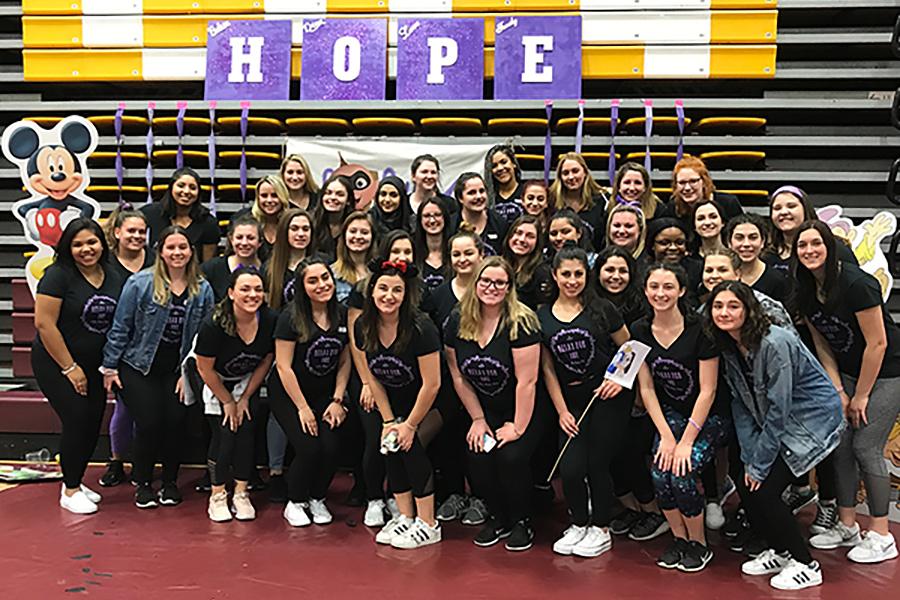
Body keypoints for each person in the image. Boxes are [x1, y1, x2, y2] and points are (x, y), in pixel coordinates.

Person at [707, 280, 844, 590]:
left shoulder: (774, 343)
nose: (724, 312)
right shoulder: (728, 343)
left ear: (749, 310)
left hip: (811, 420)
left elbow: (780, 410)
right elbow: (741, 403)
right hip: (771, 420)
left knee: (765, 490)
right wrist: (750, 456)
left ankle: (806, 564)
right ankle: (780, 550)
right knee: (746, 479)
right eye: (718, 306)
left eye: (733, 306)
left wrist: (761, 463)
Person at [793, 221, 900, 564]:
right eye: (802, 245)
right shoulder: (806, 288)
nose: (809, 251)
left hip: (887, 371)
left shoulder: (857, 284)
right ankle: (848, 523)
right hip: (849, 372)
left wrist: (862, 395)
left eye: (816, 244)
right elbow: (823, 342)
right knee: (839, 447)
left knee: (866, 447)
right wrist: (838, 388)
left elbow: (878, 343)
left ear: (829, 246)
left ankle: (882, 535)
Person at [102, 226, 214, 509]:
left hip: (178, 369)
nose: (177, 253)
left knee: (175, 423)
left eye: (183, 247)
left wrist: (187, 372)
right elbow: (121, 327)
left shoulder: (202, 289)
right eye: (171, 247)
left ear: (191, 252)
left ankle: (170, 482)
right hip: (139, 366)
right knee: (150, 422)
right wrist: (110, 367)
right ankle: (143, 482)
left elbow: (205, 336)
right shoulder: (139, 283)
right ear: (161, 251)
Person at [631, 263, 727, 572]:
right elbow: (646, 387)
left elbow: (708, 391)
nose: (661, 293)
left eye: (668, 287)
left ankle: (699, 543)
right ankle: (679, 538)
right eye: (654, 287)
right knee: (661, 471)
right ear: (645, 291)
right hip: (669, 416)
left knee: (682, 473)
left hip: (708, 417)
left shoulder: (702, 329)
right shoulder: (640, 330)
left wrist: (685, 441)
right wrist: (667, 437)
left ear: (681, 290)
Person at [444, 256, 542, 551]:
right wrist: (477, 418)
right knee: (477, 456)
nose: (492, 287)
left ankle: (522, 520)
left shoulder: (521, 322)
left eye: (500, 282)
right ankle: (498, 517)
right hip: (485, 408)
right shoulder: (457, 319)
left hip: (525, 407)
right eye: (486, 281)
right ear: (476, 284)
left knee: (510, 457)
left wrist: (517, 427)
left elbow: (528, 382)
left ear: (509, 287)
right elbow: (457, 375)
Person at [539, 245, 630, 557]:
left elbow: (628, 348)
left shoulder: (602, 309)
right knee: (572, 466)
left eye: (579, 274)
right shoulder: (542, 315)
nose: (572, 280)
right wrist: (562, 410)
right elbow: (547, 368)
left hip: (605, 397)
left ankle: (601, 527)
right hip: (571, 401)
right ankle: (579, 522)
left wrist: (617, 379)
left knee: (596, 464)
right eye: (566, 274)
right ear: (555, 275)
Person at [32, 218, 123, 514]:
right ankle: (69, 490)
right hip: (56, 361)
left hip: (95, 364)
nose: (87, 249)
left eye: (92, 242)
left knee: (92, 419)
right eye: (78, 244)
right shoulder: (57, 276)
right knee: (76, 417)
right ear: (67, 248)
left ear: (102, 243)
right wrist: (70, 368)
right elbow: (44, 324)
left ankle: (77, 479)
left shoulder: (113, 275)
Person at [353, 259, 443, 549]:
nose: (389, 296)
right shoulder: (363, 325)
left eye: (397, 290)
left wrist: (410, 424)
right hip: (396, 401)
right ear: (371, 291)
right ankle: (406, 516)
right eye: (382, 288)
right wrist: (389, 421)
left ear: (406, 295)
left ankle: (429, 524)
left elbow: (432, 385)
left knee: (409, 443)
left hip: (435, 401)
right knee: (390, 443)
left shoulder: (421, 327)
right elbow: (373, 376)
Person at [593, 247, 668, 540]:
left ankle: (652, 511)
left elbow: (638, 354)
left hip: (638, 391)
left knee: (630, 453)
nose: (615, 276)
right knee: (608, 456)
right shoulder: (590, 304)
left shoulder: (641, 309)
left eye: (622, 270)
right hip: (601, 392)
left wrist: (634, 390)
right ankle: (630, 508)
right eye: (609, 270)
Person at [269, 258, 351, 526]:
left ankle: (317, 497)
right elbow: (283, 366)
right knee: (308, 446)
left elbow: (345, 360)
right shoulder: (290, 317)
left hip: (326, 393)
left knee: (332, 446)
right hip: (289, 393)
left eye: (325, 278)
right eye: (313, 280)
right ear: (302, 287)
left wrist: (338, 399)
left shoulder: (342, 313)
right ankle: (296, 501)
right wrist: (303, 408)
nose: (321, 285)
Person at [195, 267, 276, 522]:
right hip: (214, 379)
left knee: (246, 432)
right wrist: (227, 401)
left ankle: (241, 493)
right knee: (225, 434)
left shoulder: (270, 319)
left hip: (246, 380)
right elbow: (204, 368)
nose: (252, 294)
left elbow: (267, 359)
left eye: (258, 289)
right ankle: (217, 495)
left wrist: (245, 398)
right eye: (245, 289)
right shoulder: (214, 323)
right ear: (231, 293)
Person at [99, 207, 154, 487]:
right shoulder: (105, 263)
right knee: (124, 409)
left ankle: (143, 463)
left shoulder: (157, 261)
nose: (136, 236)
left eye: (141, 232)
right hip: (116, 344)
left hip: (150, 347)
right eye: (130, 231)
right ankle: (117, 460)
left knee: (146, 411)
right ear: (117, 232)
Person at [766, 185, 857, 273]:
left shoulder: (835, 247)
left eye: (791, 206)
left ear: (805, 209)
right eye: (777, 208)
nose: (784, 212)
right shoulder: (766, 253)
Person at [141, 167, 220, 262]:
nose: (186, 191)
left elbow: (207, 264)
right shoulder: (150, 213)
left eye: (192, 188)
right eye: (181, 185)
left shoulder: (208, 223)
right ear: (171, 188)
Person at [549, 152, 608, 250]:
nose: (571, 177)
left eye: (575, 171)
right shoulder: (551, 200)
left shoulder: (602, 199)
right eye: (565, 173)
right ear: (560, 177)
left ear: (585, 172)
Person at [662, 156, 742, 229]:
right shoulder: (672, 208)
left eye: (693, 181)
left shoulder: (728, 203)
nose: (687, 188)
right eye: (682, 183)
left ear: (704, 181)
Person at [724, 214, 788, 301]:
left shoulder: (777, 280)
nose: (746, 244)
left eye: (753, 237)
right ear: (729, 242)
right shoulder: (721, 275)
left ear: (762, 241)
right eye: (739, 238)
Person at [265, 208, 315, 312]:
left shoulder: (323, 263)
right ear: (284, 231)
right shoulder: (268, 269)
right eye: (294, 228)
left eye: (305, 229)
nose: (301, 234)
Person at [201, 216, 263, 301]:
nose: (244, 243)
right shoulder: (210, 269)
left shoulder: (268, 271)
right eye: (239, 237)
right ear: (231, 239)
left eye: (250, 238)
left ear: (260, 242)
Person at [501, 214, 552, 310]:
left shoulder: (543, 272)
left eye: (530, 236)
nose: (522, 239)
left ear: (538, 241)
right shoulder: (499, 265)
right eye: (518, 233)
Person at [236, 175, 290, 262]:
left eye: (274, 195)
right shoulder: (245, 219)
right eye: (264, 196)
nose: (269, 200)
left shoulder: (292, 221)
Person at [452, 172, 508, 256]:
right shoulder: (451, 224)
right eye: (472, 192)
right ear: (460, 198)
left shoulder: (500, 223)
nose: (479, 196)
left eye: (482, 191)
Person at [644, 217, 702, 299]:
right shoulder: (641, 270)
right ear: (652, 245)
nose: (673, 248)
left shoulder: (698, 269)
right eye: (664, 243)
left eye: (679, 242)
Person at [331, 212, 374, 304]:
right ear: (344, 235)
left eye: (364, 232)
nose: (358, 236)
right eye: (353, 231)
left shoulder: (379, 274)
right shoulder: (332, 274)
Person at [312, 173, 356, 261]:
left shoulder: (356, 224)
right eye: (328, 193)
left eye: (339, 194)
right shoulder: (311, 222)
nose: (332, 197)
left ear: (348, 201)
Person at [414, 198, 451, 291]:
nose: (432, 220)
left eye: (437, 215)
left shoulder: (455, 252)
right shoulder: (413, 254)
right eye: (426, 216)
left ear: (445, 218)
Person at [484, 144, 524, 224]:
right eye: (494, 166)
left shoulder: (526, 192)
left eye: (504, 162)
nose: (500, 168)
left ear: (514, 163)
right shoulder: (487, 198)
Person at [409, 154, 456, 219]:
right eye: (424, 172)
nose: (429, 176)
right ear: (413, 176)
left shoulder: (449, 204)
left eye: (433, 172)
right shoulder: (403, 204)